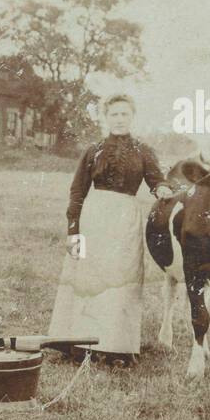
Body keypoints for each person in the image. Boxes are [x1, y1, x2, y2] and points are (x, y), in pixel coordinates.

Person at [47, 94, 174, 367]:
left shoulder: (143, 151)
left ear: (132, 117)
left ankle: (117, 347)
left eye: (124, 114)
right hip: (94, 219)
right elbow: (78, 190)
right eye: (114, 114)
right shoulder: (93, 151)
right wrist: (73, 230)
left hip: (125, 220)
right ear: (106, 117)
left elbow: (156, 179)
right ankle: (80, 344)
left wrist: (162, 189)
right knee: (88, 277)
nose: (119, 119)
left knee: (121, 278)